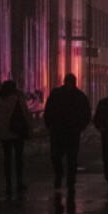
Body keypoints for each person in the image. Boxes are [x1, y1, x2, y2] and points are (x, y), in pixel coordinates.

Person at [43, 73, 92, 204]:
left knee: (66, 156)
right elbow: (86, 113)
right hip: (63, 131)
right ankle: (64, 176)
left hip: (66, 131)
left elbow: (86, 114)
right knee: (62, 156)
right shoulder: (76, 96)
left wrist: (80, 126)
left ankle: (67, 178)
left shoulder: (66, 95)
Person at [0, 79, 31, 199]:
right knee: (18, 157)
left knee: (7, 158)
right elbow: (25, 114)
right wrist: (29, 127)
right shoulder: (17, 99)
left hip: (4, 133)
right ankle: (19, 181)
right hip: (16, 132)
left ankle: (8, 183)